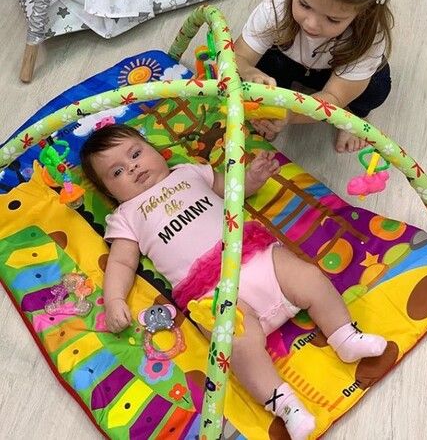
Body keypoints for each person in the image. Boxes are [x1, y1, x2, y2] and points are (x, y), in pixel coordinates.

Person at [80, 124, 387, 440]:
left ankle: (344, 336)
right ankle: (285, 405)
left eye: (135, 154)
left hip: (252, 254)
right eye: (117, 172)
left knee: (308, 277)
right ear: (109, 192)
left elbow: (233, 189)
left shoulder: (188, 172)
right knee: (234, 346)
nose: (132, 167)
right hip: (209, 293)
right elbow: (121, 262)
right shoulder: (127, 215)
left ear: (154, 149)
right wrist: (114, 300)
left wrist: (253, 178)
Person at [233, 0, 396, 153]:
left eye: (332, 19)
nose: (311, 24)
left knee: (376, 88)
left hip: (335, 72)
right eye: (304, 4)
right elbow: (239, 55)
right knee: (262, 66)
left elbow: (334, 97)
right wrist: (249, 72)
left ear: (364, 10)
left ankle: (353, 116)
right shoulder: (278, 3)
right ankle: (272, 104)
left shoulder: (369, 36)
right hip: (286, 58)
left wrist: (290, 115)